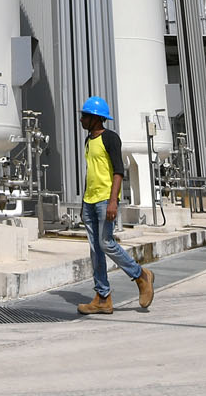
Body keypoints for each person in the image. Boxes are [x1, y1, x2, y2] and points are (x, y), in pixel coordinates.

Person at [76, 96, 154, 315]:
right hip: (90, 201)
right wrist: (83, 202)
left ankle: (140, 276)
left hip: (104, 200)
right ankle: (102, 298)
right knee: (95, 250)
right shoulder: (89, 140)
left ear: (96, 119)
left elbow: (118, 171)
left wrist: (113, 201)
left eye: (84, 116)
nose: (81, 120)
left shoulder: (110, 138)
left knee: (106, 243)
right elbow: (90, 173)